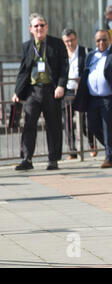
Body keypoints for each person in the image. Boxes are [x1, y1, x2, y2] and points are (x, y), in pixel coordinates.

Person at [13, 13, 68, 171]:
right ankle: (27, 159)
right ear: (31, 29)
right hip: (32, 91)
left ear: (47, 27)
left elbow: (65, 67)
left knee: (54, 126)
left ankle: (53, 160)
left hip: (51, 90)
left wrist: (61, 85)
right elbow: (23, 71)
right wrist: (18, 91)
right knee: (29, 125)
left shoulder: (56, 44)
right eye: (36, 26)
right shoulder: (27, 46)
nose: (39, 28)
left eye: (42, 25)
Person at [73, 30, 112, 168]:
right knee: (92, 126)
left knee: (109, 127)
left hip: (110, 98)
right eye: (98, 40)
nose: (101, 43)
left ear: (110, 39)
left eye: (104, 40)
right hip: (93, 98)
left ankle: (110, 158)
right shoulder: (90, 55)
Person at [61, 28, 97, 159]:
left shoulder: (85, 52)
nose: (70, 43)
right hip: (67, 91)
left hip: (82, 90)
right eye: (67, 41)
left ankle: (91, 144)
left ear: (76, 39)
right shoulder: (61, 53)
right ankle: (72, 150)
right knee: (68, 122)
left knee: (85, 121)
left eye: (72, 40)